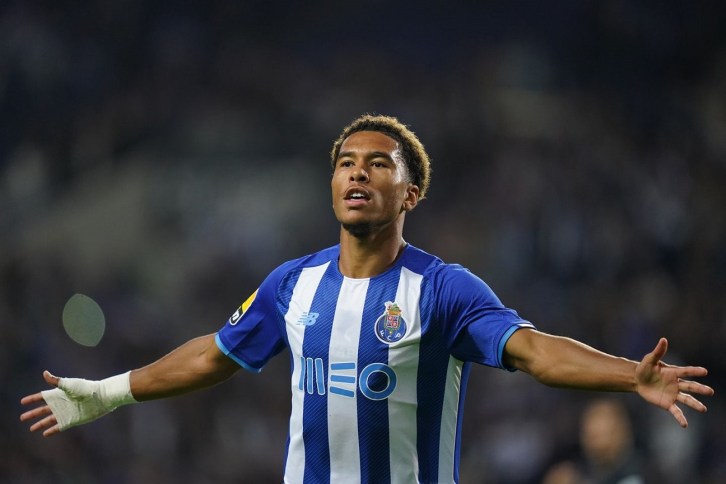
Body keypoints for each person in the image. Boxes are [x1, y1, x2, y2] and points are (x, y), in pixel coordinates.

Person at [21, 114, 714, 483]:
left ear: (410, 194)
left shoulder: (442, 288)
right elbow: (214, 355)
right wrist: (107, 393)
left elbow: (532, 352)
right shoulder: (292, 282)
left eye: (378, 164)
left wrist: (629, 375)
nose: (357, 172)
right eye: (346, 163)